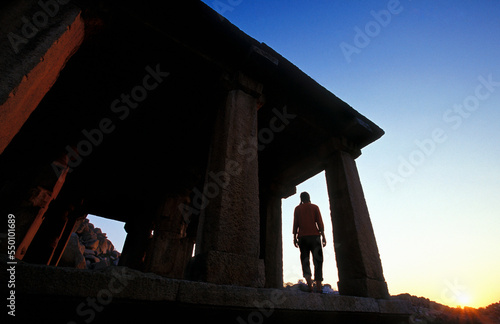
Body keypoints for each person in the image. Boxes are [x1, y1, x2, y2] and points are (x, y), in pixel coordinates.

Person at [292, 191, 326, 293]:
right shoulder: (315, 207)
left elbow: (295, 224)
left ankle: (310, 286)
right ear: (309, 197)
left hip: (302, 238)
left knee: (305, 260)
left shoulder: (297, 209)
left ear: (301, 199)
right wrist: (323, 237)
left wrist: (294, 237)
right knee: (318, 260)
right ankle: (319, 287)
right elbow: (319, 222)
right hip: (314, 237)